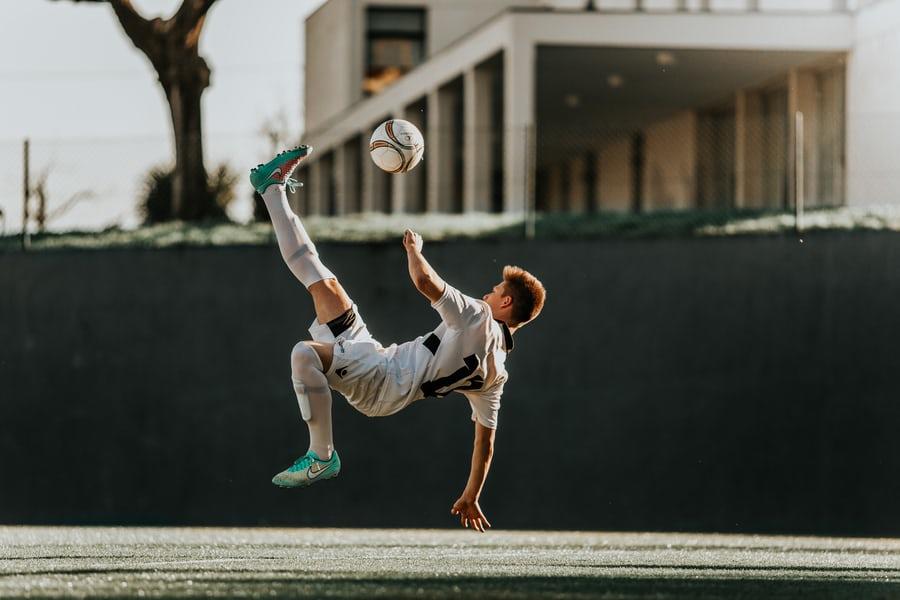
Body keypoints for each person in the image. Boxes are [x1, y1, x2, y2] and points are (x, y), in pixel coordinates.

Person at [250, 146, 546, 532]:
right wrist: (472, 493)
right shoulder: (497, 374)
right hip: (380, 363)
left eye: (494, 290)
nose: (487, 294)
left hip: (382, 378)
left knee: (303, 354)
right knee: (321, 279)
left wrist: (414, 250)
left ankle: (321, 454)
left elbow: (426, 283)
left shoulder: (479, 317)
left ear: (505, 302)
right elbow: (485, 443)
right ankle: (272, 189)